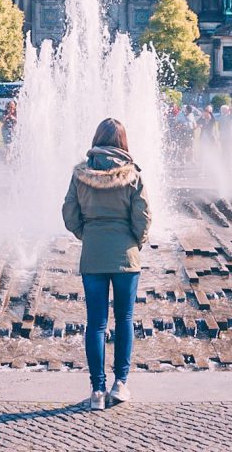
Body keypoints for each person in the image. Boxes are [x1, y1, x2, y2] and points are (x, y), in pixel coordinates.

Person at [62, 118, 151, 411]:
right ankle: (121, 384)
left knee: (96, 324)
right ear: (123, 141)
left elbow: (69, 213)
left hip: (93, 254)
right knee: (124, 320)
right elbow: (144, 216)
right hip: (126, 255)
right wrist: (135, 241)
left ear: (97, 138)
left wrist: (86, 234)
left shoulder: (80, 174)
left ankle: (97, 390)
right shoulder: (133, 175)